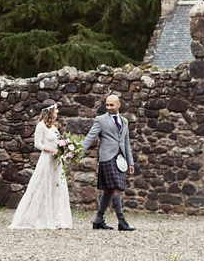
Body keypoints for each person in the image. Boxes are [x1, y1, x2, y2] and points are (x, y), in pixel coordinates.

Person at [8, 102, 73, 230]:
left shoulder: (54, 127)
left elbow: (57, 141)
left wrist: (65, 147)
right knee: (43, 186)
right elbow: (38, 144)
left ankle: (57, 218)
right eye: (55, 109)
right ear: (49, 111)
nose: (57, 112)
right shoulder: (40, 126)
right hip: (46, 160)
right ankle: (38, 217)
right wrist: (51, 150)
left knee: (56, 187)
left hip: (56, 161)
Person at [82, 94, 136, 231]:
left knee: (108, 189)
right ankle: (121, 221)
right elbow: (90, 137)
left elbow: (126, 143)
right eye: (107, 105)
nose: (109, 107)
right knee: (117, 187)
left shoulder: (124, 121)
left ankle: (98, 220)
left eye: (112, 105)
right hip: (107, 158)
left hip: (121, 159)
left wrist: (131, 163)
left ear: (119, 105)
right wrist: (78, 153)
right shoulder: (100, 120)